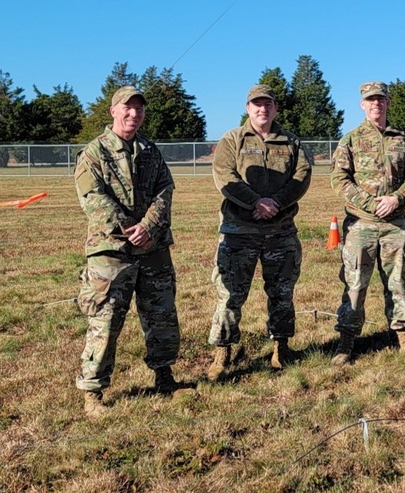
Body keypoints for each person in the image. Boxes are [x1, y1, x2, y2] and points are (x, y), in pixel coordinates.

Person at [74, 85, 181, 417]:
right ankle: (93, 392)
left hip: (153, 248)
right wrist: (128, 229)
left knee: (161, 316)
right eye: (127, 108)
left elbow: (165, 189)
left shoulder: (150, 150)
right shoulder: (94, 152)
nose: (134, 114)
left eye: (139, 109)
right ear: (113, 111)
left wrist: (149, 227)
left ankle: (165, 377)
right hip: (112, 252)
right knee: (105, 321)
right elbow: (92, 198)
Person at [207, 84, 313, 380]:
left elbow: (301, 176)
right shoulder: (233, 139)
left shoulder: (290, 141)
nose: (262, 109)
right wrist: (256, 202)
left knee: (281, 292)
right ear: (247, 107)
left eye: (268, 104)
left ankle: (281, 347)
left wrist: (276, 203)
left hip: (280, 231)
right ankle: (223, 351)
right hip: (239, 231)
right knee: (229, 294)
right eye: (256, 104)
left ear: (276, 108)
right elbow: (224, 175)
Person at [329, 81, 405, 364]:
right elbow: (339, 180)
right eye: (370, 100)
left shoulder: (403, 139)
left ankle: (404, 337)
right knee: (354, 284)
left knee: (397, 282)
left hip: (395, 225)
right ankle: (346, 342)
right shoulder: (350, 140)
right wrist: (372, 204)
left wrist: (397, 198)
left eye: (381, 100)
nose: (376, 104)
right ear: (362, 104)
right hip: (361, 224)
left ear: (387, 103)